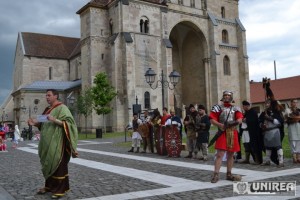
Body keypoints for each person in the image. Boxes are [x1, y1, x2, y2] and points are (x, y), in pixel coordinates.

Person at [28, 89, 78, 199]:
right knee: (49, 162)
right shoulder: (47, 109)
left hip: (58, 142)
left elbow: (70, 124)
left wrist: (55, 120)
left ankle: (60, 189)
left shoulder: (63, 108)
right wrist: (34, 123)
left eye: (49, 95)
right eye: (46, 95)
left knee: (58, 164)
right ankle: (49, 186)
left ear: (56, 96)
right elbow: (44, 125)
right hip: (46, 143)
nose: (47, 97)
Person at [209, 91, 243, 183]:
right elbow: (212, 119)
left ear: (231, 97)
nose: (227, 97)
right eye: (225, 95)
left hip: (233, 132)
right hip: (222, 132)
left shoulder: (236, 108)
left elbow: (240, 119)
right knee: (220, 154)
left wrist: (233, 123)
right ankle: (216, 174)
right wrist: (220, 125)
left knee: (231, 154)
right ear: (223, 97)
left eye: (228, 95)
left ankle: (229, 174)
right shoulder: (217, 107)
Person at [258, 99, 284, 167]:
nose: (266, 104)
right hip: (267, 131)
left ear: (271, 104)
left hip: (275, 131)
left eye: (268, 103)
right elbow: (259, 121)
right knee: (267, 147)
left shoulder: (276, 112)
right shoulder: (264, 113)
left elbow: (279, 122)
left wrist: (270, 118)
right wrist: (261, 125)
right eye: (266, 103)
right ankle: (267, 161)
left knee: (278, 146)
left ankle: (281, 162)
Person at [284, 99, 300, 163]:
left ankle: (298, 157)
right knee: (293, 142)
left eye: (296, 102)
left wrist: (297, 118)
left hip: (298, 127)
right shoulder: (288, 110)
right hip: (292, 127)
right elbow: (287, 118)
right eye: (294, 102)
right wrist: (293, 117)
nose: (295, 103)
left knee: (299, 142)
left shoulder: (299, 110)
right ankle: (294, 157)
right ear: (291, 103)